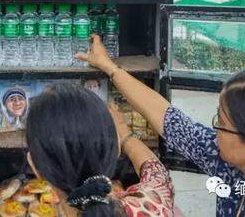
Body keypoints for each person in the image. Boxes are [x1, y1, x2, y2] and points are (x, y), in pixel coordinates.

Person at [76, 34, 245, 216]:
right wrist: (109, 67)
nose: (213, 131)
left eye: (221, 123)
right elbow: (171, 120)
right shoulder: (239, 164)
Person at [26, 83, 174, 217]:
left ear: (35, 166)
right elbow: (157, 172)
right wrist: (124, 131)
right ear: (116, 148)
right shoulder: (152, 206)